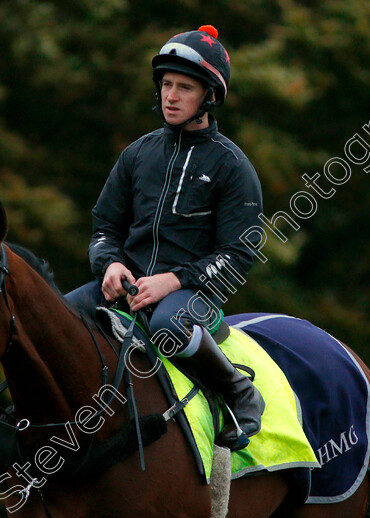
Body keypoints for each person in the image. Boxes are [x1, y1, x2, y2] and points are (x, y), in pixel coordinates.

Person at [66, 25, 264, 451]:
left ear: (209, 96)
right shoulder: (136, 154)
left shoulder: (232, 166)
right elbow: (104, 228)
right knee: (62, 316)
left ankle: (238, 391)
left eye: (185, 88)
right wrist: (111, 264)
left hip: (191, 295)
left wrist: (173, 281)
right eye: (166, 85)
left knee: (168, 324)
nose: (170, 96)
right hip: (128, 288)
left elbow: (239, 253)